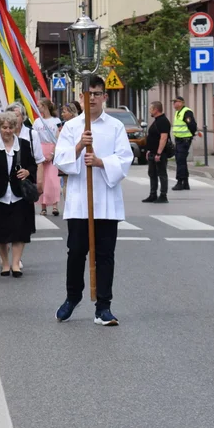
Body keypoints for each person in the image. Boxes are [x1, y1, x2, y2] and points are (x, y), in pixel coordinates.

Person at [53, 75, 134, 326]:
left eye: (97, 94)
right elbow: (61, 160)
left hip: (106, 201)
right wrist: (79, 147)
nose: (92, 99)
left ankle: (103, 306)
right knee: (76, 252)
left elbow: (124, 158)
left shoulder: (115, 126)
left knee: (105, 255)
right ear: (81, 97)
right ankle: (72, 297)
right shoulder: (72, 127)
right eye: (87, 95)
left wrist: (99, 162)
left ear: (104, 97)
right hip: (80, 201)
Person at [0, 110, 37, 277]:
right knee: (0, 232)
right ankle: (5, 263)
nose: (7, 131)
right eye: (4, 127)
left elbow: (33, 166)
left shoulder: (24, 145)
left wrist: (28, 173)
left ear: (15, 128)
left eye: (10, 127)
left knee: (19, 230)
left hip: (19, 194)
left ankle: (15, 264)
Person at [34, 98, 61, 217]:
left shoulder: (56, 121)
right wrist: (38, 154)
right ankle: (43, 206)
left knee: (53, 179)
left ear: (44, 106)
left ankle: (54, 205)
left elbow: (58, 138)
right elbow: (35, 138)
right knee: (42, 179)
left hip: (52, 149)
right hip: (40, 149)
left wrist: (52, 154)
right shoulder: (37, 122)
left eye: (39, 105)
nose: (38, 108)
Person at [143, 101, 171, 204]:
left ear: (156, 110)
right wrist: (149, 150)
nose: (150, 111)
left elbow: (163, 138)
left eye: (151, 109)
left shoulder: (163, 121)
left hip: (160, 153)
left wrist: (159, 153)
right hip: (152, 152)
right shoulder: (156, 120)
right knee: (152, 174)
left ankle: (163, 195)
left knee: (161, 174)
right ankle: (152, 194)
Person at [171, 95, 197, 191]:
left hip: (184, 140)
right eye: (174, 102)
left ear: (182, 103)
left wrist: (191, 135)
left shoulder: (186, 112)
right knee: (180, 160)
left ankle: (180, 182)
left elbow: (192, 125)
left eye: (176, 102)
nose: (174, 104)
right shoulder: (178, 112)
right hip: (179, 139)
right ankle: (185, 182)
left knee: (180, 161)